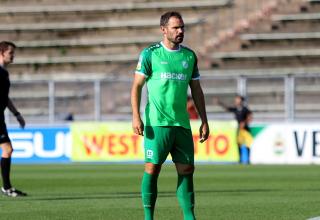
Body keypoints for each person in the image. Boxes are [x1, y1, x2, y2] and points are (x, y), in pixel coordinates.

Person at [131, 11, 209, 220]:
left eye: (182, 27)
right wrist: (136, 116)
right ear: (163, 30)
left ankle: (189, 217)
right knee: (152, 169)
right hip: (157, 124)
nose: (180, 31)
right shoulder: (150, 54)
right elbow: (137, 86)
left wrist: (204, 120)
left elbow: (197, 90)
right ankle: (149, 217)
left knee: (187, 170)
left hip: (181, 124)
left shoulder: (189, 56)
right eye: (176, 27)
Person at [0, 41, 27, 197]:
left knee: (8, 150)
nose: (13, 56)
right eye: (11, 53)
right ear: (1, 53)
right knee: (8, 150)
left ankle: (7, 187)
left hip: (0, 118)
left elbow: (5, 98)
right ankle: (7, 187)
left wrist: (17, 114)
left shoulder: (4, 74)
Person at [215, 95, 253, 163]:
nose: (236, 101)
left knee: (247, 144)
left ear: (241, 101)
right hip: (239, 129)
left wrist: (244, 122)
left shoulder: (245, 109)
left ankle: (248, 159)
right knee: (239, 144)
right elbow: (227, 108)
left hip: (245, 129)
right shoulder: (236, 109)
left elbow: (250, 116)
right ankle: (240, 159)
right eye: (236, 99)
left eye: (238, 99)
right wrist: (220, 103)